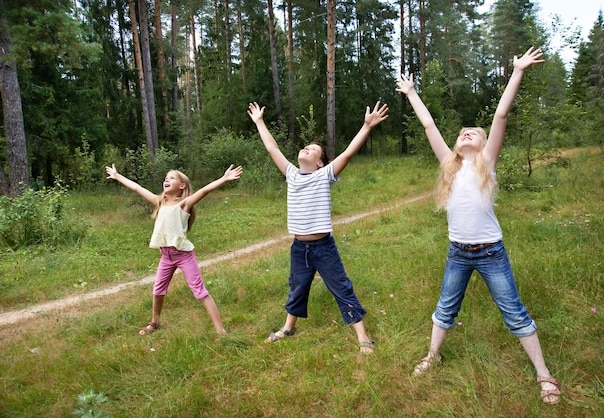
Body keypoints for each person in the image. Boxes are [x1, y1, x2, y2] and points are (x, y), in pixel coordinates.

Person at [396, 46, 561, 404]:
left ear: (484, 143)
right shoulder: (449, 165)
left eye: (474, 132)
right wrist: (411, 93)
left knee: (514, 313)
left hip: (490, 254)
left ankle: (544, 374)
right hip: (458, 253)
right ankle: (432, 356)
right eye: (462, 133)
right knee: (445, 308)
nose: (467, 133)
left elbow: (500, 115)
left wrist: (517, 71)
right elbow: (428, 124)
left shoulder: (486, 162)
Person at [247, 100, 388, 354]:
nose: (306, 148)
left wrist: (366, 127)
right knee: (297, 286)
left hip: (323, 248)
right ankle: (289, 328)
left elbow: (347, 154)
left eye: (313, 149)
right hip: (299, 247)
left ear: (320, 163)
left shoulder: (324, 175)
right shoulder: (291, 174)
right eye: (305, 146)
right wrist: (259, 121)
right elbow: (272, 148)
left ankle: (363, 335)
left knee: (341, 287)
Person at [105, 163, 243, 336]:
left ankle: (220, 330)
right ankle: (155, 322)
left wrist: (224, 179)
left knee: (199, 292)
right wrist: (118, 176)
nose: (166, 180)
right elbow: (137, 188)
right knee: (158, 290)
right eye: (165, 178)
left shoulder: (184, 204)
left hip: (183, 255)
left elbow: (204, 191)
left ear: (182, 186)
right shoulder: (159, 202)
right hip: (166, 256)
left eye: (171, 178)